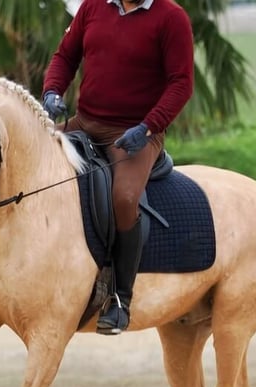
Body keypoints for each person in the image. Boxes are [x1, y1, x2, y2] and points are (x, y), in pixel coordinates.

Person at [42, 0, 194, 335]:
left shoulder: (171, 17)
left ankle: (120, 299)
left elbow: (181, 83)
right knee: (34, 164)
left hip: (135, 133)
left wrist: (148, 127)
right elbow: (65, 56)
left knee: (124, 198)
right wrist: (52, 91)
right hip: (84, 121)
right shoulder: (93, 7)